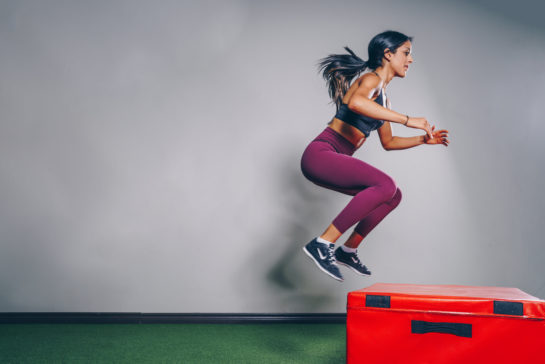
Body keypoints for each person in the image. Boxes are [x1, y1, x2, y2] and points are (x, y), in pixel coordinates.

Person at [301, 30, 449, 282]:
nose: (410, 60)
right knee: (385, 184)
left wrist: (423, 139)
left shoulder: (383, 99)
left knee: (392, 195)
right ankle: (322, 243)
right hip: (321, 154)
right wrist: (407, 120)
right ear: (387, 54)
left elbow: (389, 142)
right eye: (406, 53)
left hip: (331, 160)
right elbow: (355, 103)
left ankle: (347, 251)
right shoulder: (371, 80)